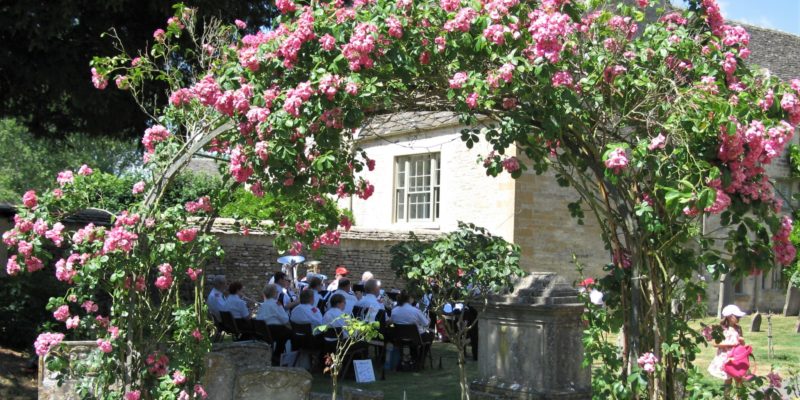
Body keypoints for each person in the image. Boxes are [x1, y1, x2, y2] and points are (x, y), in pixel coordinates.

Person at [708, 304, 747, 384]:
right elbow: (715, 343)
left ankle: (739, 396)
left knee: (738, 378)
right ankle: (727, 396)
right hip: (725, 357)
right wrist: (730, 344)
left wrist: (742, 342)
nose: (739, 318)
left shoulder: (738, 328)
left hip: (736, 357)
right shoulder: (721, 328)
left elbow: (741, 343)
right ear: (729, 317)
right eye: (737, 316)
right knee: (728, 380)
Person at [255, 284, 291, 366]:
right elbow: (285, 319)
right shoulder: (276, 304)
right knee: (290, 334)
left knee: (285, 333)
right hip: (275, 331)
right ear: (274, 293)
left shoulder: (263, 305)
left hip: (263, 331)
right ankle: (279, 355)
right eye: (276, 291)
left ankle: (277, 354)